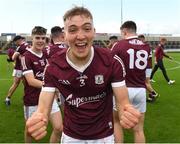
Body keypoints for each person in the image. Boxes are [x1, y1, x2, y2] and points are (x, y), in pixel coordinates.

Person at [26, 6, 141, 143]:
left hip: (104, 136)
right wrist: (39, 118)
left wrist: (126, 114)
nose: (80, 36)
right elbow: (43, 109)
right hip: (71, 137)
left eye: (86, 29)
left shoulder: (111, 61)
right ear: (65, 36)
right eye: (73, 30)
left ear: (94, 32)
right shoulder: (53, 66)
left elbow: (123, 104)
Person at [21, 26, 62, 143]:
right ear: (32, 39)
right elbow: (31, 81)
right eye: (37, 38)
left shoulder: (46, 54)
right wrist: (53, 87)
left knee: (59, 128)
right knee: (31, 131)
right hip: (33, 100)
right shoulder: (26, 56)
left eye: (43, 38)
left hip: (49, 98)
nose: (40, 41)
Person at [112, 21, 150, 143]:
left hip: (122, 90)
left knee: (117, 123)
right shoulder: (146, 46)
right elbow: (148, 70)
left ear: (124, 31)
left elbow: (109, 66)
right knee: (139, 129)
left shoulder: (119, 45)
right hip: (140, 89)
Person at [4, 35, 30, 106]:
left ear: (18, 40)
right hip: (27, 69)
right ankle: (26, 99)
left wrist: (10, 59)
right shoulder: (28, 45)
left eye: (15, 42)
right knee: (26, 85)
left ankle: (8, 98)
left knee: (15, 84)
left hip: (19, 68)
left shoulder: (20, 47)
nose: (15, 43)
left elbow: (13, 57)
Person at [138, 34, 159, 102]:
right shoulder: (146, 46)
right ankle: (151, 97)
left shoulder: (144, 47)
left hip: (146, 66)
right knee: (147, 82)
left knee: (145, 82)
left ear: (143, 39)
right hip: (147, 66)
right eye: (139, 40)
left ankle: (154, 93)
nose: (140, 41)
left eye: (141, 40)